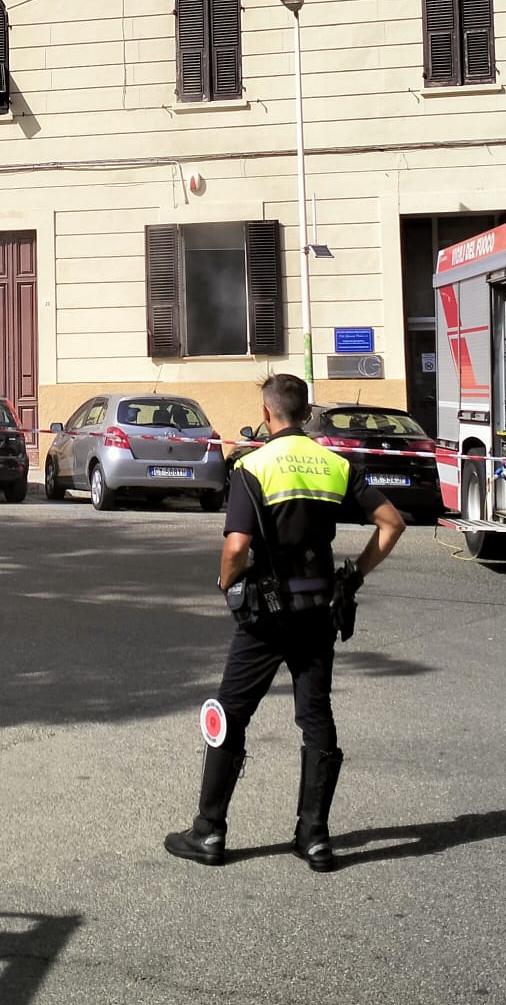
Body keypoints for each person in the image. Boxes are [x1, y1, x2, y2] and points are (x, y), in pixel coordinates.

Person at [165, 373, 405, 873]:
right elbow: (392, 524)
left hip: (265, 616)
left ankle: (209, 832)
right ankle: (314, 837)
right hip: (319, 610)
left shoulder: (252, 465)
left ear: (268, 412)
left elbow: (236, 548)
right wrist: (354, 575)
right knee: (316, 718)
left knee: (230, 713)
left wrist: (225, 584)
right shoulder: (336, 464)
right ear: (307, 412)